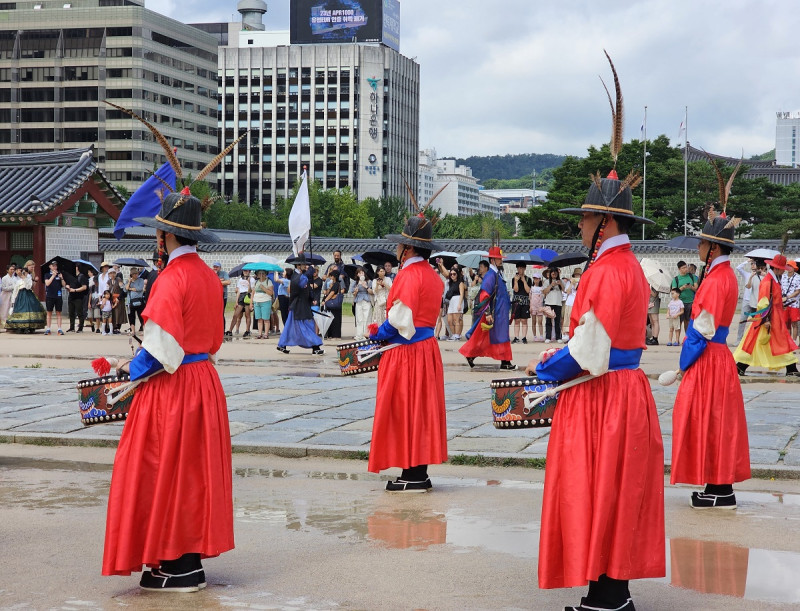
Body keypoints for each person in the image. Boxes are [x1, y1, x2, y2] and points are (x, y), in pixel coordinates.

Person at [528, 168, 664, 611]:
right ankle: (611, 594)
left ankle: (607, 597)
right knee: (618, 490)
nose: (580, 226)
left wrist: (548, 370)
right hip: (624, 389)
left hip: (601, 393)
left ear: (604, 223)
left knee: (599, 487)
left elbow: (590, 350)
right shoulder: (630, 267)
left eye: (585, 219)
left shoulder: (606, 270)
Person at [670, 210, 751, 510]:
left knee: (710, 421)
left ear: (713, 248)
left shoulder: (717, 279)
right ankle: (717, 486)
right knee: (716, 422)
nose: (698, 248)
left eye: (702, 243)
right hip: (718, 357)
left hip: (708, 357)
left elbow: (701, 330)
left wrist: (683, 363)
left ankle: (720, 488)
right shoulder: (723, 275)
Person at [367, 214, 447, 491]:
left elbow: (400, 319)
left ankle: (411, 475)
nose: (398, 250)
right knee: (420, 411)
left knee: (403, 409)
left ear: (409, 248)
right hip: (426, 349)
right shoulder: (434, 277)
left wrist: (377, 332)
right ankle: (418, 472)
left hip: (407, 352)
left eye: (401, 245)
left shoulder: (408, 275)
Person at [734, 253, 800, 377]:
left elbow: (773, 299)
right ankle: (740, 366)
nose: (783, 271)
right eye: (782, 269)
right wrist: (766, 320)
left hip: (775, 317)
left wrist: (780, 303)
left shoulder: (773, 280)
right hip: (769, 318)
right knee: (765, 342)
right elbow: (763, 302)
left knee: (766, 342)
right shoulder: (768, 281)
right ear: (777, 268)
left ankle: (740, 366)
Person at [460, 245, 516, 371]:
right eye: (498, 259)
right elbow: (484, 295)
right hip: (495, 312)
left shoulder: (497, 274)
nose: (501, 261)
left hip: (501, 311)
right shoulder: (491, 275)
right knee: (497, 336)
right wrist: (488, 313)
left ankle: (472, 356)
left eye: (500, 259)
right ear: (492, 261)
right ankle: (505, 361)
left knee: (491, 337)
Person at [276, 254, 324, 355]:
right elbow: (301, 283)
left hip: (301, 305)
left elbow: (306, 287)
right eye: (303, 264)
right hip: (298, 306)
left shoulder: (301, 275)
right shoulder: (296, 276)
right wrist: (309, 271)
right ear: (298, 265)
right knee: (306, 326)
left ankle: (282, 345)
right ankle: (315, 347)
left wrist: (312, 298)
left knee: (290, 327)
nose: (305, 266)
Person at [5, 267, 46, 333]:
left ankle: (30, 326)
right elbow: (15, 291)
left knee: (29, 309)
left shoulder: (29, 279)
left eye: (25, 272)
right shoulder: (18, 281)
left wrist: (25, 279)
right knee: (20, 310)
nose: (23, 273)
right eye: (23, 272)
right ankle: (21, 327)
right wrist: (13, 301)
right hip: (20, 297)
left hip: (28, 295)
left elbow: (28, 287)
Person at [670, 260, 698, 335]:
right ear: (679, 269)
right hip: (680, 303)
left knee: (688, 321)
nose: (685, 269)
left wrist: (691, 287)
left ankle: (687, 337)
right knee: (679, 321)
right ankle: (677, 339)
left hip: (690, 302)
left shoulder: (692, 277)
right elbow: (673, 291)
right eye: (683, 268)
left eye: (686, 267)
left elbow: (696, 288)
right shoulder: (676, 279)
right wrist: (682, 288)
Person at [734, 259, 757, 343]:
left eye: (754, 264)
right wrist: (747, 261)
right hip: (746, 300)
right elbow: (738, 268)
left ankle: (754, 339)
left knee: (756, 321)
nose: (753, 265)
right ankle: (739, 339)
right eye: (752, 264)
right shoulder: (747, 275)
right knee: (743, 320)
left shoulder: (761, 276)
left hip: (756, 301)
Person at [227, 269, 253, 338]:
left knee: (247, 315)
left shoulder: (252, 279)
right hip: (241, 296)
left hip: (248, 295)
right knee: (236, 315)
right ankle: (230, 330)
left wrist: (249, 282)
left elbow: (252, 290)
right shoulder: (240, 280)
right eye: (244, 271)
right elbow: (238, 290)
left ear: (249, 272)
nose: (245, 272)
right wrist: (236, 301)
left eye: (247, 271)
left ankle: (247, 330)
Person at [542, 267, 564, 343]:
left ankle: (558, 337)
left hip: (558, 302)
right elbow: (544, 291)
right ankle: (548, 337)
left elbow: (564, 290)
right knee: (548, 321)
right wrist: (551, 285)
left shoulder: (560, 281)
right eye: (552, 272)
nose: (554, 274)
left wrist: (560, 284)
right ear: (550, 273)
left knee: (557, 320)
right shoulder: (546, 281)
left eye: (555, 272)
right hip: (549, 302)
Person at [510, 264, 531, 344]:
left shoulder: (528, 279)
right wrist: (516, 280)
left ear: (525, 268)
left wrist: (523, 280)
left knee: (524, 320)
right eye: (519, 268)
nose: (520, 269)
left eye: (522, 268)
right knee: (517, 320)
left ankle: (524, 337)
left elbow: (528, 290)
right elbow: (516, 290)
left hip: (525, 301)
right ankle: (516, 337)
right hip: (516, 301)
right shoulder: (514, 279)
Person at [43, 260, 64, 335]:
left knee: (59, 312)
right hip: (50, 295)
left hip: (58, 295)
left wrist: (61, 278)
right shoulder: (47, 274)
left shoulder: (59, 274)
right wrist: (53, 276)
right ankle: (48, 328)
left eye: (55, 265)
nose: (55, 267)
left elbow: (63, 285)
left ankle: (59, 328)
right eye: (53, 265)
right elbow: (47, 283)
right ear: (50, 266)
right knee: (49, 312)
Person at [444, 265, 466, 341]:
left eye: (454, 274)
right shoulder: (450, 283)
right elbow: (445, 273)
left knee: (457, 319)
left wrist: (459, 304)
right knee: (449, 319)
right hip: (451, 301)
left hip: (458, 299)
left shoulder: (460, 283)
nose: (452, 275)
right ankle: (453, 334)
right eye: (451, 274)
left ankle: (457, 335)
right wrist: (441, 265)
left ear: (457, 274)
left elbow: (462, 294)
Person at [66, 263, 89, 332]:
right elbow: (68, 284)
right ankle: (72, 327)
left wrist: (75, 290)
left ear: (77, 268)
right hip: (71, 296)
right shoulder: (71, 276)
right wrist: (68, 287)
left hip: (78, 297)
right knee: (71, 313)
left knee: (79, 313)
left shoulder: (81, 276)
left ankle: (80, 327)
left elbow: (84, 287)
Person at [351, 266, 373, 341]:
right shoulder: (355, 282)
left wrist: (366, 286)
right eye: (359, 273)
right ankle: (359, 334)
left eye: (362, 272)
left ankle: (366, 334)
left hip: (367, 300)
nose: (361, 274)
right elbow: (353, 293)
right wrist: (356, 291)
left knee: (367, 317)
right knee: (359, 318)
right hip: (358, 300)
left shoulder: (369, 281)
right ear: (357, 274)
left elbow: (372, 292)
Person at [780, 259, 800, 339]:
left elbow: (797, 291)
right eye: (787, 265)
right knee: (786, 322)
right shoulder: (783, 277)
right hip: (784, 303)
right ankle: (788, 342)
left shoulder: (798, 277)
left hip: (794, 303)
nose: (788, 267)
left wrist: (787, 297)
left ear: (794, 268)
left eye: (790, 266)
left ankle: (794, 341)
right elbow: (781, 289)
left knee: (794, 323)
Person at [251, 269, 274, 339]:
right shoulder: (256, 282)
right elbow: (253, 293)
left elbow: (271, 293)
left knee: (266, 319)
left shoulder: (268, 282)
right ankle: (259, 333)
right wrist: (251, 303)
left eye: (263, 273)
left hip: (266, 301)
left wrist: (263, 288)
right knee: (259, 319)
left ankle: (266, 334)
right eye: (259, 273)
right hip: (257, 301)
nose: (261, 275)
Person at [322, 269, 343, 338]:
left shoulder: (336, 284)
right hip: (334, 305)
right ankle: (332, 334)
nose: (330, 277)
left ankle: (335, 335)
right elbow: (329, 292)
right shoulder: (334, 284)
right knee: (333, 319)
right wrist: (330, 287)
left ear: (334, 277)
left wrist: (325, 300)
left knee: (334, 320)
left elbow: (331, 293)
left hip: (334, 305)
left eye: (331, 276)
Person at [562, 268, 581, 341]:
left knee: (577, 318)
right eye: (576, 274)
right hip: (570, 302)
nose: (577, 276)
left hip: (578, 303)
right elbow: (568, 291)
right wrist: (572, 283)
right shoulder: (569, 282)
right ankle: (566, 334)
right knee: (568, 318)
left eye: (579, 275)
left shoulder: (582, 282)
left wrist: (577, 284)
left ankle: (576, 334)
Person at [125, 268, 146, 333]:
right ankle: (133, 330)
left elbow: (139, 288)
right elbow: (125, 289)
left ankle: (144, 330)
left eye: (137, 273)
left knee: (141, 316)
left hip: (139, 300)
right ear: (131, 274)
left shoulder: (141, 280)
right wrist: (129, 282)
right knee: (131, 316)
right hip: (130, 301)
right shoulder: (128, 281)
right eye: (134, 274)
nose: (136, 275)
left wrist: (130, 288)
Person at [212, 262, 231, 330]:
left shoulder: (224, 273)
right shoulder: (211, 273)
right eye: (214, 267)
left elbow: (228, 282)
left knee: (221, 313)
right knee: (213, 314)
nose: (215, 268)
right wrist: (220, 281)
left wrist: (216, 281)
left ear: (220, 267)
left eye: (217, 267)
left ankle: (222, 330)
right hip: (213, 296)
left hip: (223, 296)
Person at [109, 269, 127, 334]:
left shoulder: (119, 279)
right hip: (111, 299)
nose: (112, 274)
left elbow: (123, 290)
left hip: (119, 299)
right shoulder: (109, 281)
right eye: (111, 273)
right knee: (113, 314)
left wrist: (119, 298)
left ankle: (118, 328)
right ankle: (113, 327)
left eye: (113, 273)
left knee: (119, 313)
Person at [528, 271, 545, 341]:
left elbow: (544, 296)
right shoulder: (532, 288)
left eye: (537, 278)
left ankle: (541, 335)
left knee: (540, 321)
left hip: (540, 306)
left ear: (540, 279)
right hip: (533, 306)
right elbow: (530, 298)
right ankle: (535, 336)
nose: (536, 280)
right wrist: (530, 307)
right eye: (534, 278)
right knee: (533, 321)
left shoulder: (542, 288)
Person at [0, 263, 16, 328]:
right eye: (11, 269)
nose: (12, 270)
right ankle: (4, 323)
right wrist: (12, 287)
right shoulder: (4, 278)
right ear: (7, 270)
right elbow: (3, 288)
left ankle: (11, 323)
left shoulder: (15, 278)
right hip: (5, 295)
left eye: (13, 269)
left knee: (11, 309)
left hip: (13, 295)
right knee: (4, 309)